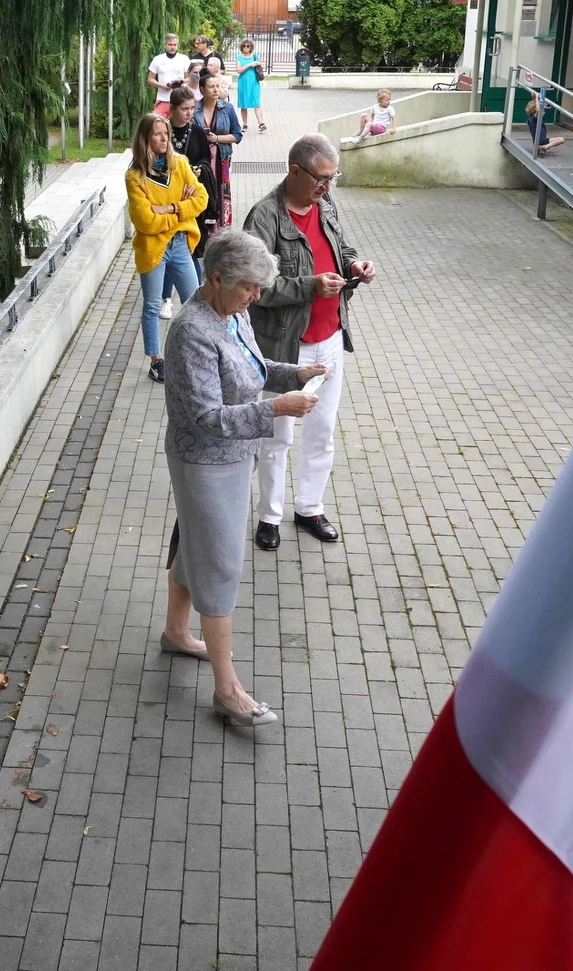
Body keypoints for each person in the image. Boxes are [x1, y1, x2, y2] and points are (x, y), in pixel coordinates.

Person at [159, 229, 328, 727]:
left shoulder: (233, 314)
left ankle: (175, 633)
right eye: (250, 287)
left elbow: (253, 369)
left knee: (196, 545)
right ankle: (227, 689)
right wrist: (275, 409)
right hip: (205, 462)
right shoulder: (192, 331)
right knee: (220, 563)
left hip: (233, 457)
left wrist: (293, 375)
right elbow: (205, 418)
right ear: (216, 278)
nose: (257, 295)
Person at [243, 134, 377, 550]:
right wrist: (310, 286)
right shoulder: (264, 216)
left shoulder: (326, 205)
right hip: (285, 348)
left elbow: (340, 246)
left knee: (322, 432)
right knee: (276, 436)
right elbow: (256, 286)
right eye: (322, 178)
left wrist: (354, 262)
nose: (328, 187)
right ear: (295, 171)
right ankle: (269, 515)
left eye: (334, 178)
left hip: (330, 340)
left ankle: (309, 507)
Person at [125, 113, 208, 384]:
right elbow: (145, 221)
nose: (164, 138)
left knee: (195, 302)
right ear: (146, 138)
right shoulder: (135, 176)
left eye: (166, 133)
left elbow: (202, 198)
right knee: (151, 306)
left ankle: (197, 354)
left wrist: (170, 208)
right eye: (158, 134)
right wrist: (182, 214)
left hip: (181, 245)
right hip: (153, 248)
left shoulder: (180, 164)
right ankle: (156, 361)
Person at [168, 85, 217, 281]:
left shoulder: (196, 131)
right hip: (169, 198)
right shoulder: (162, 130)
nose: (189, 113)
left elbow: (206, 159)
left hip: (192, 197)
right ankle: (166, 295)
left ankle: (195, 290)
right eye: (184, 109)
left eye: (192, 108)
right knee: (169, 246)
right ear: (172, 109)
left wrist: (199, 170)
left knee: (192, 248)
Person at [196, 73, 243, 231]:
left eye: (217, 86)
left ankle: (222, 230)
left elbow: (237, 135)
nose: (216, 90)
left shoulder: (226, 108)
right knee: (203, 191)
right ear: (202, 89)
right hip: (201, 160)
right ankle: (204, 229)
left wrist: (217, 139)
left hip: (221, 159)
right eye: (211, 86)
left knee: (222, 194)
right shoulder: (195, 109)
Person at [148, 34, 190, 118]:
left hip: (180, 98)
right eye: (170, 45)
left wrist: (181, 81)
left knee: (179, 123)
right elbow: (150, 79)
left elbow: (189, 78)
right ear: (165, 45)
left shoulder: (184, 59)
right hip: (163, 98)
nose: (172, 47)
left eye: (175, 45)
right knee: (158, 122)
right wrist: (162, 85)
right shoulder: (158, 59)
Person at [234, 38, 267, 133]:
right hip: (243, 83)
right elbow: (239, 70)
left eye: (248, 46)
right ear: (241, 47)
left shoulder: (255, 57)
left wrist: (260, 65)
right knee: (244, 104)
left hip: (254, 82)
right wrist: (250, 64)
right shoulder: (239, 58)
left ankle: (261, 123)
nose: (246, 48)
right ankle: (244, 124)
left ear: (251, 47)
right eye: (244, 46)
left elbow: (260, 68)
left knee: (256, 103)